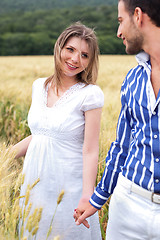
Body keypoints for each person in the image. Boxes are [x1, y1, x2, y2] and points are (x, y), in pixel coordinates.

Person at [74, 1, 160, 239]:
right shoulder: (133, 78)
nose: (118, 32)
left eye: (121, 21)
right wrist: (97, 199)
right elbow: (122, 146)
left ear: (138, 16)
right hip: (127, 206)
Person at [13, 22, 104, 239]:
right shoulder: (38, 86)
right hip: (35, 186)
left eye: (84, 55)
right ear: (59, 48)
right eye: (70, 50)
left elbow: (90, 149)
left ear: (90, 61)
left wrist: (87, 196)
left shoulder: (90, 94)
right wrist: (4, 157)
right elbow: (41, 135)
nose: (75, 59)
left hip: (69, 188)